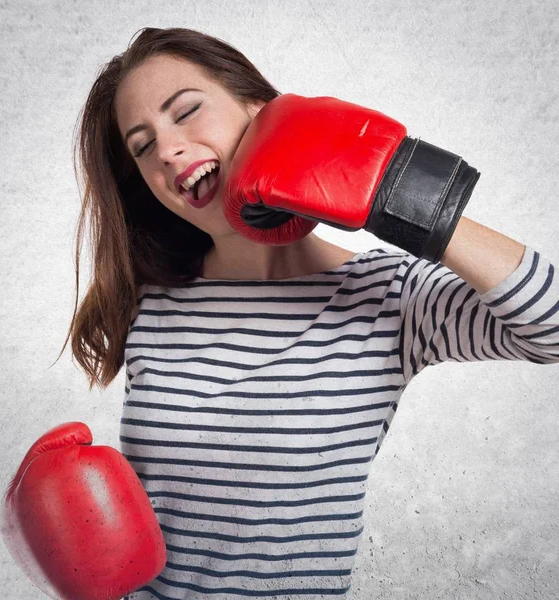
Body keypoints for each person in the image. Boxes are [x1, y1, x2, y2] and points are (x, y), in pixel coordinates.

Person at [57, 27, 559, 599]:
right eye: (142, 146)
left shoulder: (390, 297)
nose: (168, 149)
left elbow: (552, 326)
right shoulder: (154, 303)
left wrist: (393, 192)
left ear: (262, 110)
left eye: (188, 111)